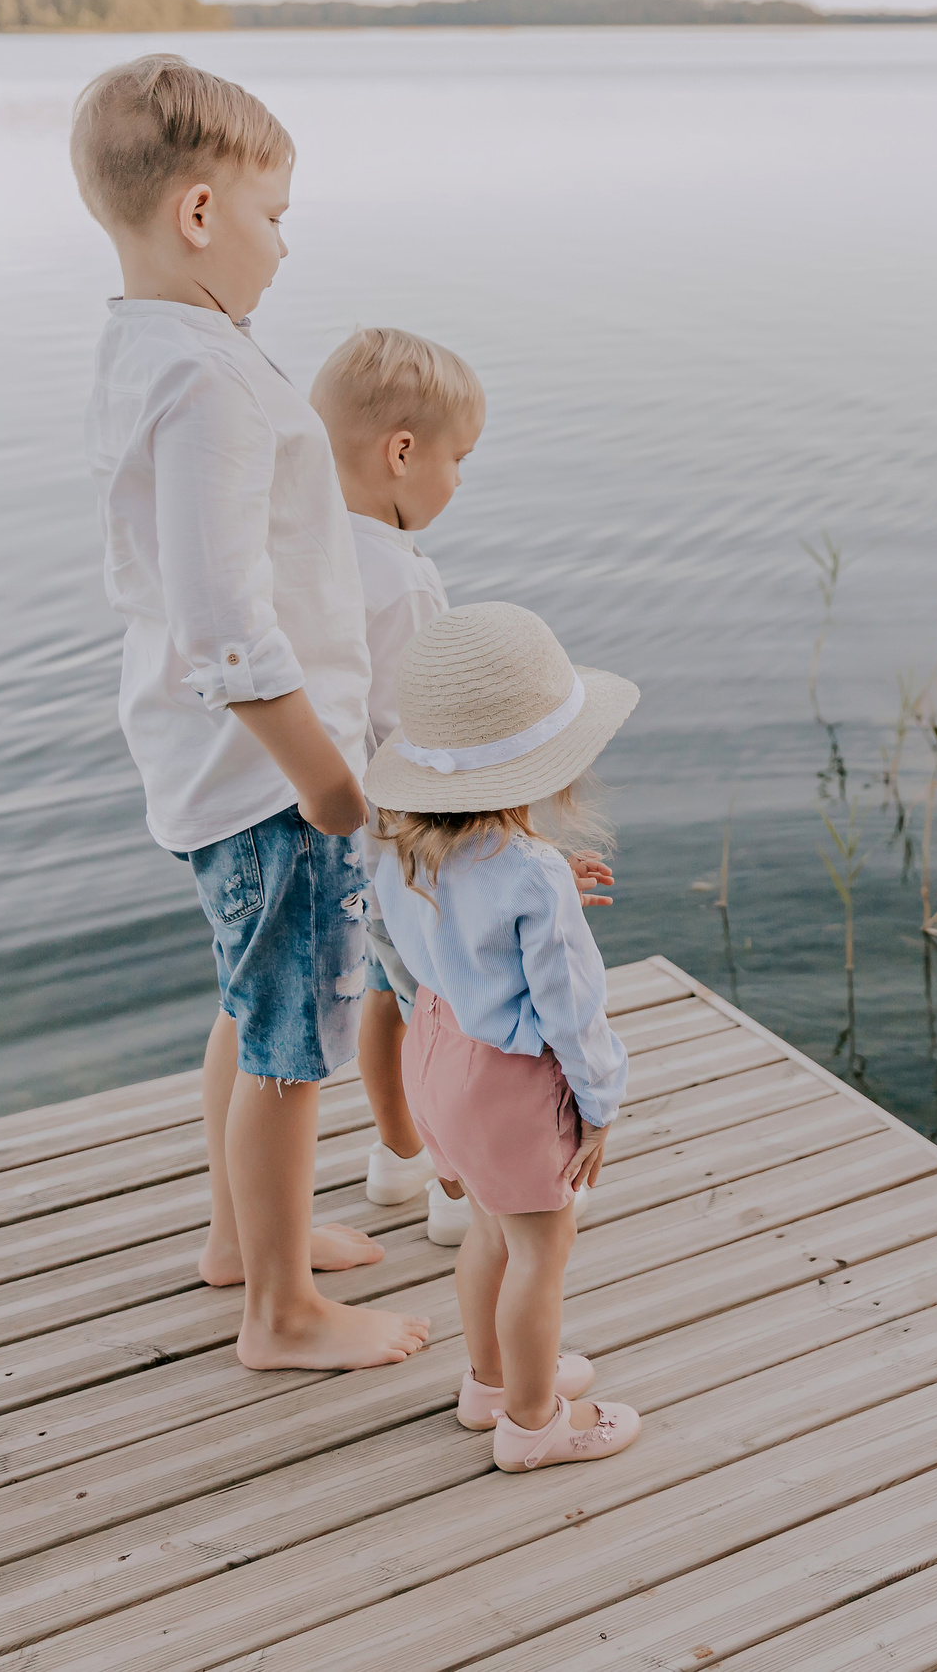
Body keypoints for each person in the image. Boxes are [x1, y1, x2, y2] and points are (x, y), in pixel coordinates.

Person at [74, 54, 428, 1371]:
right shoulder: (210, 379)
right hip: (265, 769)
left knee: (245, 999)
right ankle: (279, 1307)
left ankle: (243, 1233)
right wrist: (327, 777)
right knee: (289, 1039)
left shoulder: (154, 344)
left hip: (206, 753)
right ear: (203, 213)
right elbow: (228, 618)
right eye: (276, 215)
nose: (287, 245)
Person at [365, 602, 641, 1470]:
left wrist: (552, 873)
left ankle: (489, 1383)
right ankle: (534, 1422)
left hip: (437, 1057)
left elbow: (403, 946)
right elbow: (569, 1006)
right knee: (540, 1254)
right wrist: (598, 1103)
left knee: (488, 1229)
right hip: (511, 1083)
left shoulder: (396, 847)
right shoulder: (532, 873)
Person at [307, 326, 479, 1240]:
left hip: (350, 842)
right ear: (403, 452)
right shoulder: (400, 579)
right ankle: (458, 1190)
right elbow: (426, 734)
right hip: (414, 841)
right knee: (443, 1012)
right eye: (458, 459)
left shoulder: (313, 547)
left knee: (387, 989)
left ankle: (396, 1156)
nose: (459, 480)